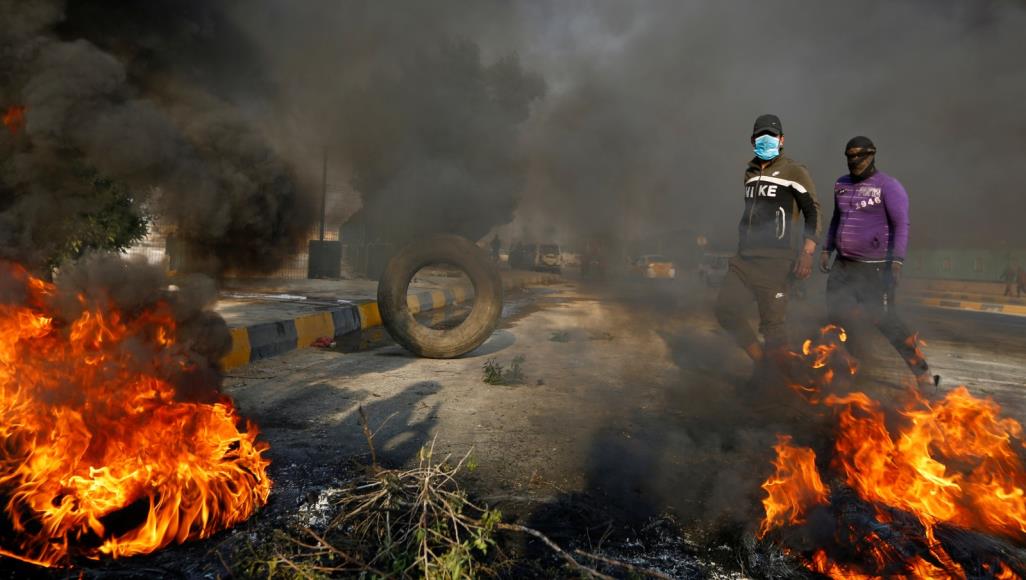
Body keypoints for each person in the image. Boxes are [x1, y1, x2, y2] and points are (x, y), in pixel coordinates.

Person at [820, 136, 939, 388]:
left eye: (859, 156)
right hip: (842, 266)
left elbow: (901, 225)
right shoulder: (841, 184)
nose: (854, 161)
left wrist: (897, 261)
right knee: (837, 318)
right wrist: (826, 248)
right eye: (849, 156)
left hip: (874, 269)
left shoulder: (888, 186)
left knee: (885, 321)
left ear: (872, 155)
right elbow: (835, 219)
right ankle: (850, 368)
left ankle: (921, 371)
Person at [715, 114, 820, 364]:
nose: (766, 141)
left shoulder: (795, 171)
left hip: (776, 262)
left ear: (781, 140)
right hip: (744, 260)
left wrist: (808, 250)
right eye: (761, 137)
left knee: (773, 327)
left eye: (771, 137)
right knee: (726, 310)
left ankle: (778, 384)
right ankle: (763, 364)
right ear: (752, 140)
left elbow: (812, 210)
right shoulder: (749, 173)